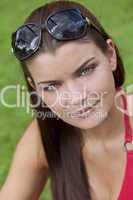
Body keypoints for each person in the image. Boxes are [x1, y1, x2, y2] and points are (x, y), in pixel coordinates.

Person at [0, 1, 133, 200]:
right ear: (35, 87)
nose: (77, 97)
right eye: (52, 86)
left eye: (85, 70)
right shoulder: (44, 136)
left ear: (110, 55)